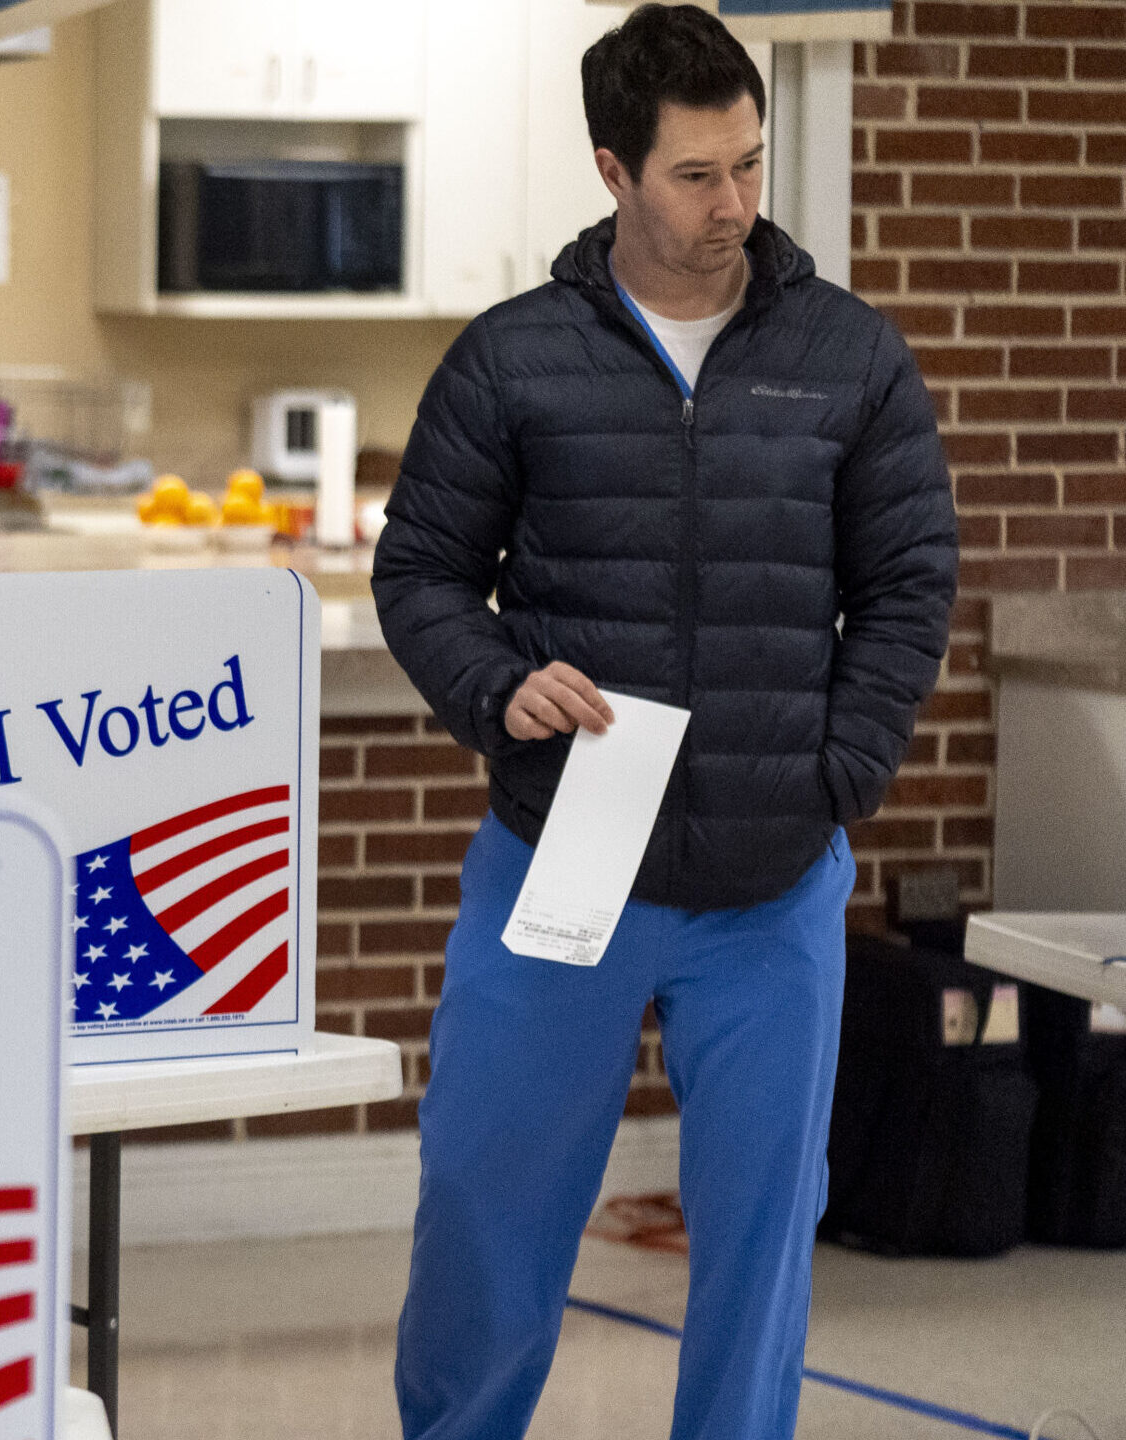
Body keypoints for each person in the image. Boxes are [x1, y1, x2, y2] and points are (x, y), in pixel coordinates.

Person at [371, 6, 957, 1439]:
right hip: (560, 852)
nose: (735, 206)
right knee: (483, 1211)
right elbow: (423, 572)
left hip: (773, 879)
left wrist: (841, 772)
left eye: (751, 166)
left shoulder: (848, 356)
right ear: (613, 170)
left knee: (761, 1240)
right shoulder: (513, 360)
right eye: (696, 176)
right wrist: (496, 682)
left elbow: (909, 582)